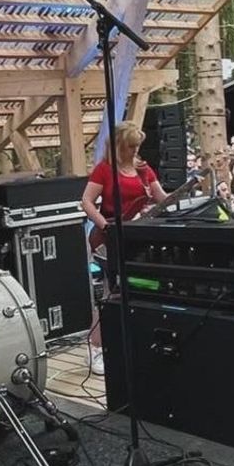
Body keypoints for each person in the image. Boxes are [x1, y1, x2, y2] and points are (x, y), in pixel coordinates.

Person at [79, 120, 169, 371]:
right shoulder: (104, 169)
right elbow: (86, 201)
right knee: (111, 290)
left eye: (136, 145)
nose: (134, 150)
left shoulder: (143, 169)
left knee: (138, 288)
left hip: (135, 236)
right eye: (130, 146)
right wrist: (104, 226)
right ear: (119, 145)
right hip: (109, 236)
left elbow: (162, 198)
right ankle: (95, 348)